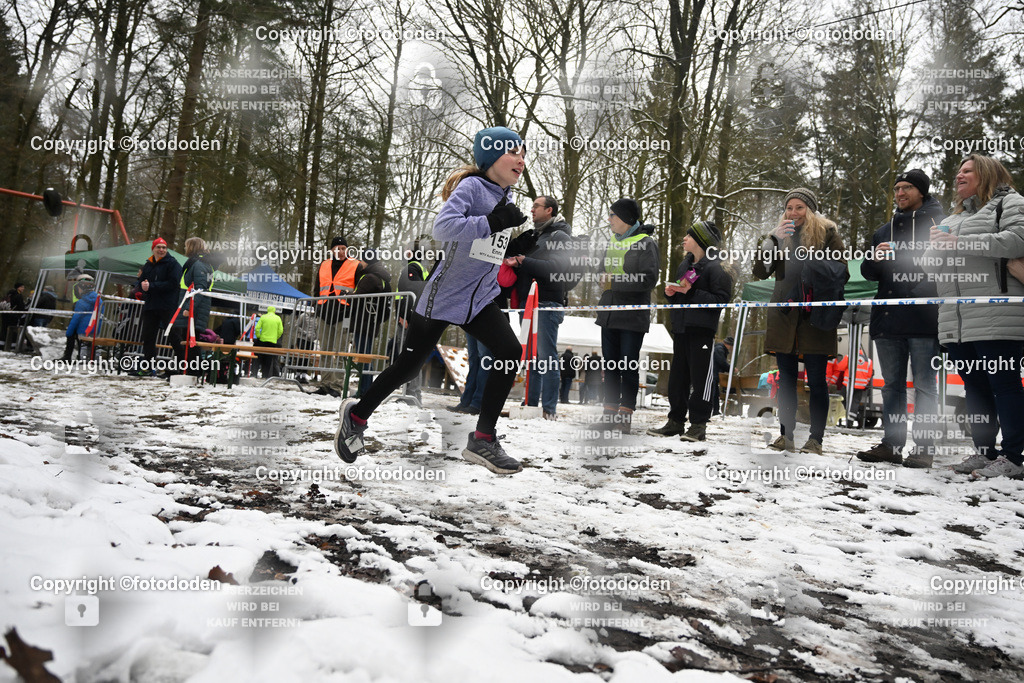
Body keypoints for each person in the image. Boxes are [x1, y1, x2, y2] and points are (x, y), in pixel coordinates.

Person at [334, 126, 528, 475]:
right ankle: (357, 415)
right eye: (512, 152)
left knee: (510, 352)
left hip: (479, 297)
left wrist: (513, 248)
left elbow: (481, 248)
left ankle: (483, 439)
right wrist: (495, 221)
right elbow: (445, 229)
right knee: (407, 367)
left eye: (524, 153)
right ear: (490, 157)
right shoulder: (471, 188)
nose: (521, 159)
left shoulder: (507, 195)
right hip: (444, 295)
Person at [927, 154, 1024, 479]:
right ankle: (985, 453)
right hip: (956, 321)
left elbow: (1017, 240)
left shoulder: (1009, 202)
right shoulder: (952, 218)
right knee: (975, 388)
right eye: (957, 171)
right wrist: (936, 249)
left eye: (967, 170)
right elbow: (929, 266)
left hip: (998, 312)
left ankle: (1013, 457)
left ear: (987, 173)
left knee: (1004, 385)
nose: (959, 175)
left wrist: (960, 242)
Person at [856, 170, 945, 468]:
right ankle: (891, 445)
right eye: (896, 188)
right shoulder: (885, 230)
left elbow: (947, 268)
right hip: (888, 320)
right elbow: (868, 274)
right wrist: (874, 258)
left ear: (922, 191)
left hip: (924, 319)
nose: (900, 193)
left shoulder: (940, 225)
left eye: (907, 187)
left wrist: (919, 294)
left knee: (924, 386)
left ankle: (924, 449)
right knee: (891, 386)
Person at [753, 188, 846, 454]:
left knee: (816, 380)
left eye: (800, 207)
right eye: (789, 208)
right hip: (784, 316)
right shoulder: (779, 236)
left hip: (815, 316)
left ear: (811, 210)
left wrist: (810, 258)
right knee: (786, 379)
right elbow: (760, 272)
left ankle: (816, 439)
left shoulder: (828, 234)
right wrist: (772, 241)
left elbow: (841, 271)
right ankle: (786, 436)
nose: (793, 213)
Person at [649, 220, 733, 441]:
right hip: (681, 328)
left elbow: (721, 300)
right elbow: (681, 293)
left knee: (701, 377)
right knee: (678, 377)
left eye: (689, 236)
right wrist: (671, 293)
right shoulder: (684, 265)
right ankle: (675, 421)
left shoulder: (718, 267)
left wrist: (691, 292)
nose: (684, 239)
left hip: (702, 330)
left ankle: (698, 424)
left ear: (701, 241)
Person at [591, 198, 660, 434]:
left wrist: (614, 281)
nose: (609, 219)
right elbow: (602, 270)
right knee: (610, 365)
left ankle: (625, 416)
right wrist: (600, 276)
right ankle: (609, 414)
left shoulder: (646, 243)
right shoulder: (611, 241)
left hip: (632, 315)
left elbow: (649, 280)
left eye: (613, 215)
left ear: (626, 219)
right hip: (609, 313)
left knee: (628, 366)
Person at [504, 195, 573, 419]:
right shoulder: (536, 235)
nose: (531, 210)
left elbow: (557, 268)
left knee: (546, 357)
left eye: (536, 206)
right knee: (531, 357)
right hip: (528, 302)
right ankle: (531, 404)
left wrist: (525, 261)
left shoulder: (560, 236)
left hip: (546, 303)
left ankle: (549, 409)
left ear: (549, 210)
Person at [135, 238, 183, 374]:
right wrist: (142, 288)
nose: (161, 250)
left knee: (174, 336)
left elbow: (174, 283)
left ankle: (184, 366)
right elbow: (141, 281)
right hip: (151, 305)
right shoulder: (148, 264)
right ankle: (149, 367)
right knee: (148, 335)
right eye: (159, 247)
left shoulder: (173, 264)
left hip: (168, 305)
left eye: (164, 247)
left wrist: (152, 286)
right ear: (153, 249)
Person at [170, 237, 215, 376]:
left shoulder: (199, 264)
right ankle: (189, 371)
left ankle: (193, 372)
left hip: (193, 308)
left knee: (189, 341)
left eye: (186, 246)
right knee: (186, 340)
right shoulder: (197, 263)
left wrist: (189, 308)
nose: (185, 249)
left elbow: (200, 288)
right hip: (189, 305)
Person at [315, 235, 365, 356]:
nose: (341, 252)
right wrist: (316, 306)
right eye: (338, 249)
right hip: (324, 313)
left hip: (345, 314)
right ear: (332, 250)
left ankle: (339, 376)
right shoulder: (324, 265)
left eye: (343, 248)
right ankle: (326, 376)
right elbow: (317, 289)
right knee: (324, 352)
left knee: (341, 352)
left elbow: (360, 290)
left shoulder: (356, 265)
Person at [61, 276, 98, 361]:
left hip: (81, 322)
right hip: (91, 324)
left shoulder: (83, 300)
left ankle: (70, 357)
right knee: (83, 341)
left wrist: (69, 330)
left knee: (74, 336)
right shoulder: (97, 298)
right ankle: (81, 358)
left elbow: (76, 317)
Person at [254, 305, 284, 378]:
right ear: (274, 311)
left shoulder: (263, 317)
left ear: (267, 310)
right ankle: (265, 375)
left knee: (259, 358)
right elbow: (281, 331)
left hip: (262, 340)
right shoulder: (278, 318)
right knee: (268, 360)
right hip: (272, 342)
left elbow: (257, 328)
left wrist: (259, 336)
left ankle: (254, 373)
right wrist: (276, 337)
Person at [711, 336, 735, 415]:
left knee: (715, 393)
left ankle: (715, 410)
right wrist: (731, 369)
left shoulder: (719, 348)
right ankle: (714, 410)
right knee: (713, 393)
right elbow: (721, 362)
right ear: (728, 344)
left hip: (715, 373)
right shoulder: (719, 349)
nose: (730, 348)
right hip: (713, 374)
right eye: (731, 346)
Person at [1, 282, 28, 348]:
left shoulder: (9, 294)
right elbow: (21, 306)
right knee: (13, 330)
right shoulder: (18, 295)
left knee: (4, 329)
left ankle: (2, 343)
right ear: (18, 288)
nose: (23, 288)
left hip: (5, 314)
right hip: (13, 315)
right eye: (22, 287)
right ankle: (11, 345)